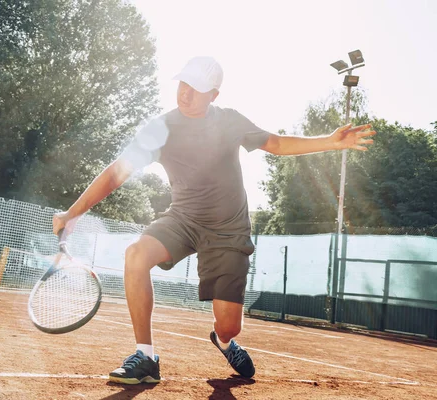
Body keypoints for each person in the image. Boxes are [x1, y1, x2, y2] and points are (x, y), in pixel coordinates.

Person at [52, 56, 375, 384]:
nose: (186, 93)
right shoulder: (161, 129)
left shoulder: (229, 121)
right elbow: (118, 171)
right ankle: (146, 356)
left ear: (214, 95)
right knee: (136, 254)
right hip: (182, 219)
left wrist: (330, 142)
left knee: (228, 324)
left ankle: (223, 341)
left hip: (228, 232)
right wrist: (73, 211)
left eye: (197, 88)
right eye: (183, 84)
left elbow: (275, 144)